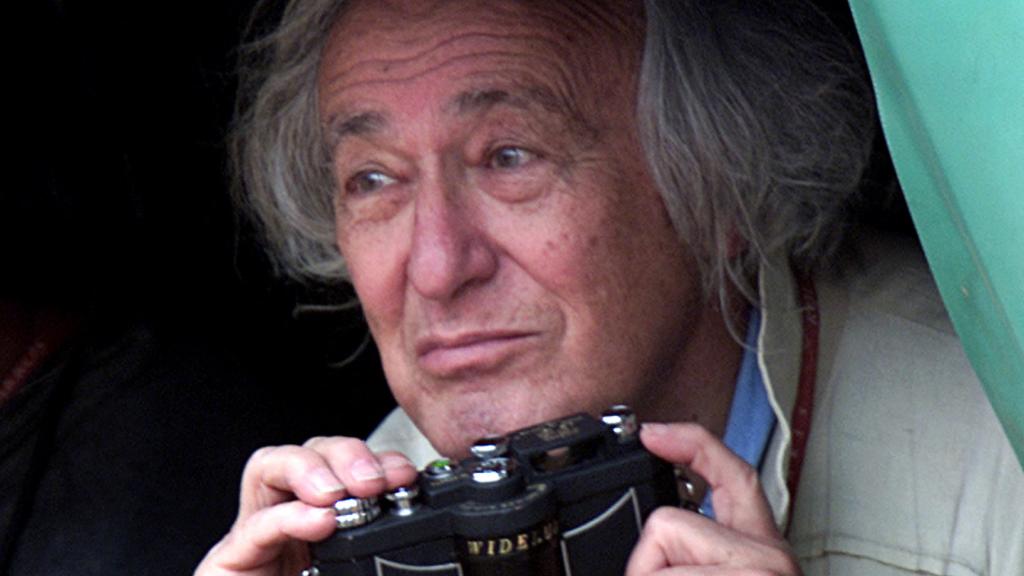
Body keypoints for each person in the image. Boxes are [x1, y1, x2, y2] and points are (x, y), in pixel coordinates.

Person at [199, 0, 1024, 574]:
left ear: (718, 184)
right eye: (374, 179)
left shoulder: (999, 452)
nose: (438, 268)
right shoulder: (363, 511)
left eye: (510, 157)